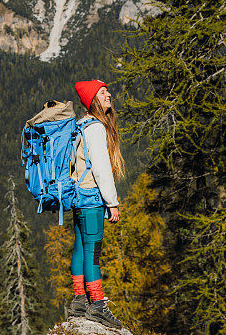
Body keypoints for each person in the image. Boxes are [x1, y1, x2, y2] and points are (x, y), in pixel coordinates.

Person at [67, 79, 125, 329]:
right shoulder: (96, 128)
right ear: (93, 100)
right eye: (103, 93)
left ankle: (80, 299)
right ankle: (98, 305)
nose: (108, 95)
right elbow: (101, 170)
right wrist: (112, 202)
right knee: (93, 253)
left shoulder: (79, 125)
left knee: (80, 248)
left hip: (76, 196)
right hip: (91, 198)